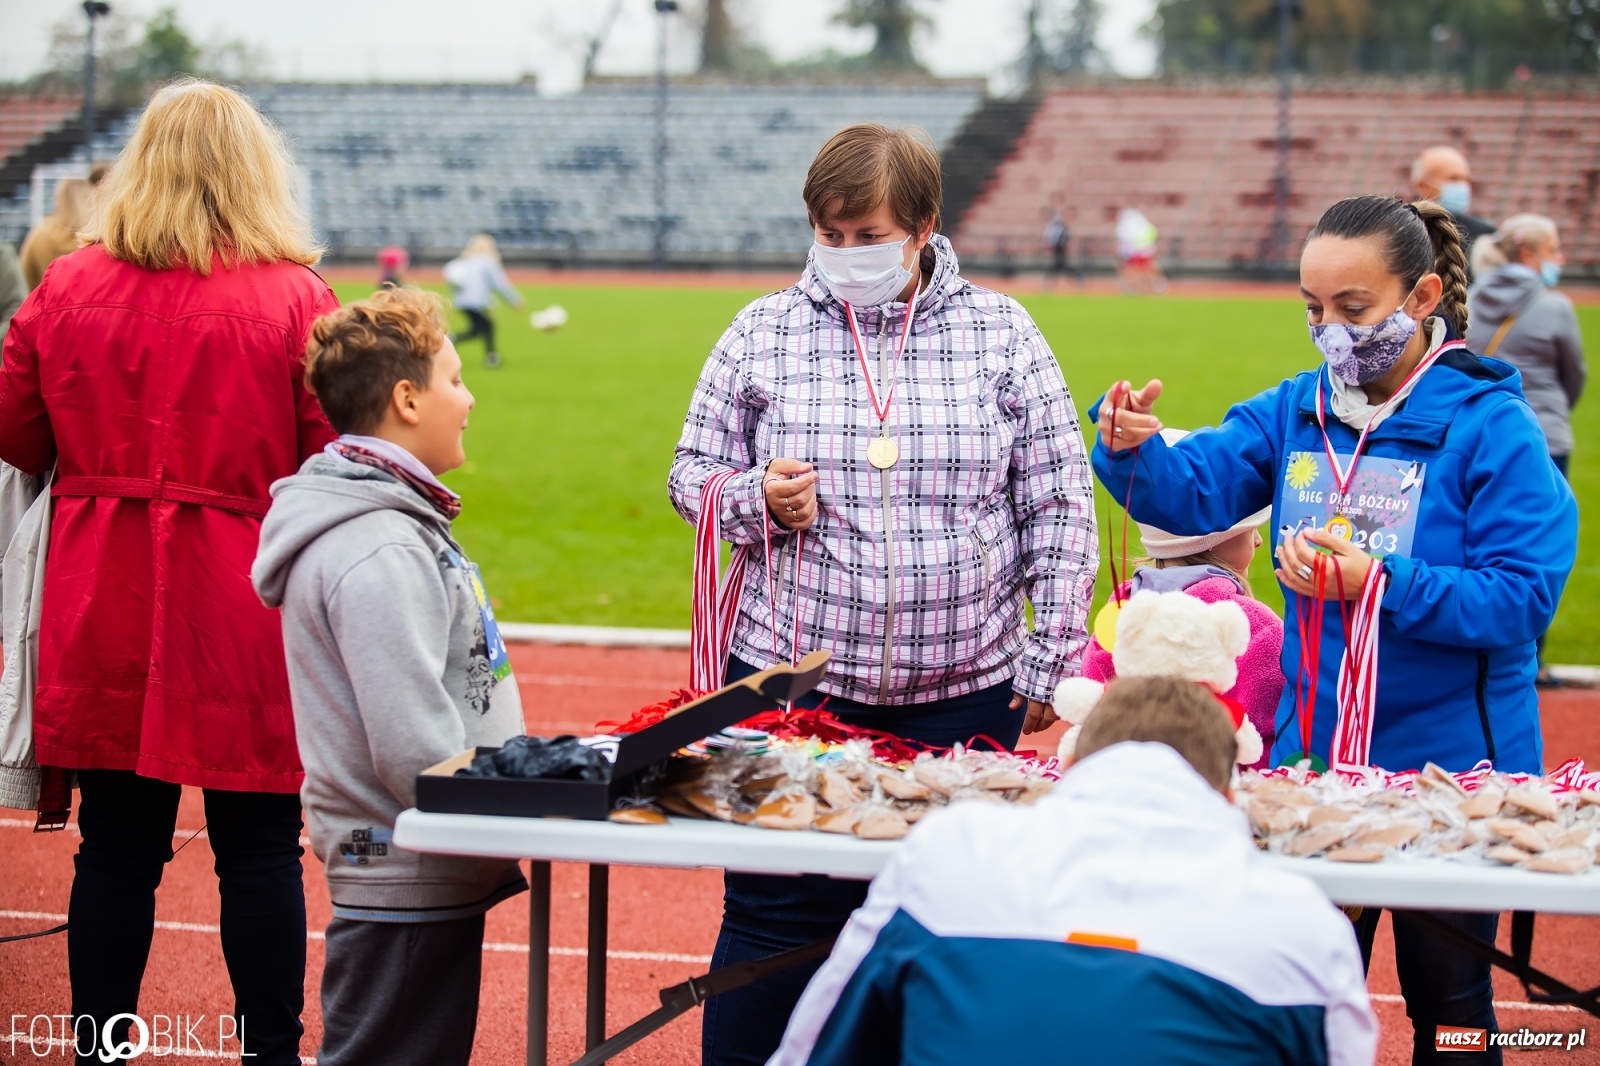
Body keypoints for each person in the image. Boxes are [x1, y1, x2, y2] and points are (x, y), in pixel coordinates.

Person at [1090, 194, 1576, 1063]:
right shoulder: (1298, 409)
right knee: (1296, 999)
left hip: (1452, 775)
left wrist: (1378, 582)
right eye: (1314, 309)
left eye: (1353, 308)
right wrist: (1132, 447)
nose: (1331, 331)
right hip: (1313, 768)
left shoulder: (1492, 427)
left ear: (1422, 297)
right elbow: (1192, 491)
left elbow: (1520, 597)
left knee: (1453, 1009)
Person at [668, 122, 1098, 1066]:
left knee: (946, 926)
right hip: (793, 688)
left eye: (870, 235)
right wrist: (752, 498)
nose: (847, 253)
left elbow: (1059, 502)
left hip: (964, 694)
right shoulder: (762, 331)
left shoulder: (1003, 333)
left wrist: (1052, 655)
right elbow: (690, 473)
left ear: (924, 227)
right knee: (774, 920)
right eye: (831, 234)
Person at [0, 79, 338, 1066]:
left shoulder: (66, 284)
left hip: (98, 587)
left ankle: (99, 1049)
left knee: (115, 846)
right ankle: (270, 1053)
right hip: (241, 593)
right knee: (261, 850)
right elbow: (329, 456)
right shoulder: (295, 298)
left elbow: (17, 433)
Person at [769, 675, 1378, 1066]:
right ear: (1227, 794)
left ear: (1072, 765)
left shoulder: (952, 851)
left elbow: (809, 1049)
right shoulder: (1299, 919)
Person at [252, 287, 526, 1066]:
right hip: (404, 863)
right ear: (407, 399)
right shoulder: (379, 546)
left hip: (421, 861)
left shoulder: (395, 527)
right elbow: (410, 743)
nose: (468, 399)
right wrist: (517, 813)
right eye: (454, 380)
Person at [1085, 430, 1282, 767]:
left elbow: (1092, 714)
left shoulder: (1120, 616)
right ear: (1216, 537)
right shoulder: (1256, 627)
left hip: (1121, 781)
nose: (1259, 541)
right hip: (1218, 788)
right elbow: (1266, 738)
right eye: (1249, 529)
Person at [1467, 214, 1586, 686]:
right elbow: (1574, 373)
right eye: (1553, 248)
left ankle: (1482, 653)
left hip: (1480, 437)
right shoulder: (1554, 305)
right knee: (1538, 554)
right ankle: (1532, 660)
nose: (1559, 258)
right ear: (1530, 253)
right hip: (1545, 436)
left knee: (1478, 547)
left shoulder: (1471, 299)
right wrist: (1553, 410)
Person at [444, 233, 522, 368]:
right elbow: (499, 284)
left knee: (479, 329)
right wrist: (514, 300)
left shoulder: (465, 260)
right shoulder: (488, 261)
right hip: (475, 302)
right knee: (487, 327)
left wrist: (491, 303)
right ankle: (490, 356)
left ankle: (490, 356)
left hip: (462, 302)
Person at [1411, 146, 1495, 247]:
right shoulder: (1405, 228)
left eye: (1465, 179)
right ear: (1424, 186)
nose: (1462, 185)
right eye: (1453, 179)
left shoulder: (1482, 232)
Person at [19, 177, 93, 290]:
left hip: (46, 297)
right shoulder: (98, 238)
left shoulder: (41, 235)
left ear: (58, 200)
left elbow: (25, 276)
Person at [1115, 206, 1164, 293]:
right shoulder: (1141, 223)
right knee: (1147, 267)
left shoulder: (1126, 226)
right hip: (1142, 249)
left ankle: (1132, 286)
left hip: (1136, 250)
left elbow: (1125, 240)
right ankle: (1157, 284)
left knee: (1135, 269)